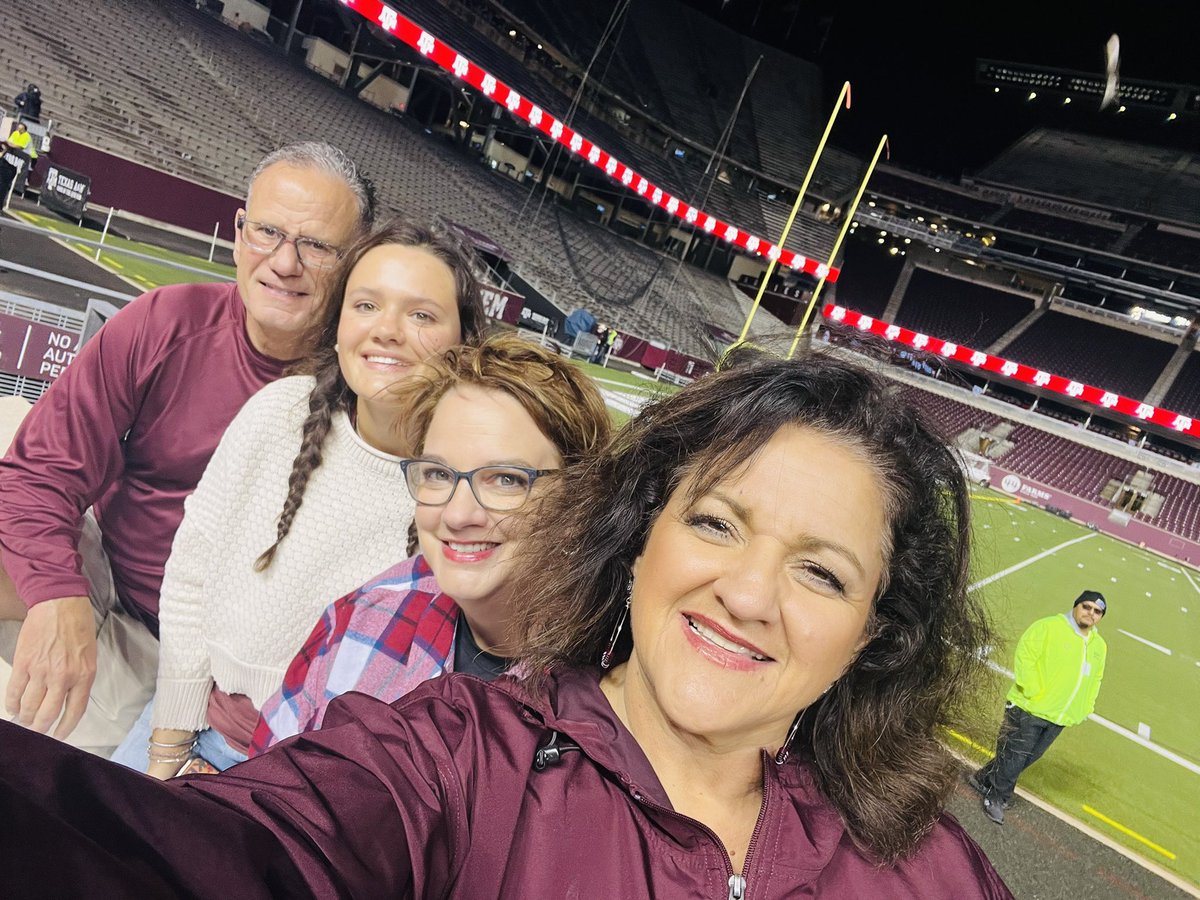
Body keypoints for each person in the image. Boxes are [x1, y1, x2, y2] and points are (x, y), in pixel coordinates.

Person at [0, 347, 1011, 897]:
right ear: (640, 533)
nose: (748, 595)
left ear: (878, 633)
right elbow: (197, 857)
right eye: (714, 522)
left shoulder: (930, 871)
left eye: (823, 575)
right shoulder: (444, 762)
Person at [0, 142, 373, 756]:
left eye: (316, 246)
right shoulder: (164, 321)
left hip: (205, 660)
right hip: (103, 573)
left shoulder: (363, 395)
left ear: (355, 260)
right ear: (238, 232)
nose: (284, 262)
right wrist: (56, 591)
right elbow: (37, 471)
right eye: (268, 232)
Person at [109, 219, 488, 777]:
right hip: (184, 729)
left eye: (421, 315)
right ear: (336, 327)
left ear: (464, 342)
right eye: (365, 305)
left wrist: (270, 789)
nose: (387, 330)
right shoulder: (278, 413)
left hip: (310, 784)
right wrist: (168, 750)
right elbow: (192, 571)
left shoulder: (464, 495)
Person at [250, 333, 610, 754]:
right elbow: (264, 780)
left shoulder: (616, 694)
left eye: (507, 480)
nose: (458, 516)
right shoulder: (362, 617)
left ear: (581, 499)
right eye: (438, 474)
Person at [969, 590, 1108, 825]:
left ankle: (984, 778)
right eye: (1086, 607)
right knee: (1015, 756)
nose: (1090, 614)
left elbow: (1096, 678)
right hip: (1028, 708)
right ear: (1076, 606)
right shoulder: (1049, 627)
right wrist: (1032, 690)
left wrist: (1086, 707)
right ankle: (996, 797)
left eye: (1097, 611)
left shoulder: (1099, 646)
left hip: (1060, 716)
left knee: (1028, 758)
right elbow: (1026, 655)